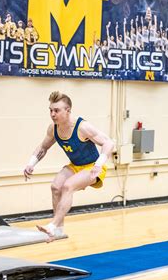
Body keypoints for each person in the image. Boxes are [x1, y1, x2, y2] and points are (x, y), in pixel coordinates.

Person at [24, 91, 114, 242]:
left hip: (93, 167)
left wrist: (99, 164)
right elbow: (43, 147)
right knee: (56, 187)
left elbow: (109, 143)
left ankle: (52, 225)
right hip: (76, 165)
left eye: (57, 110)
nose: (53, 114)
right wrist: (31, 163)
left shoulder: (82, 127)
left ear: (68, 110)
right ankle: (58, 230)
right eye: (51, 110)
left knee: (67, 186)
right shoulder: (54, 128)